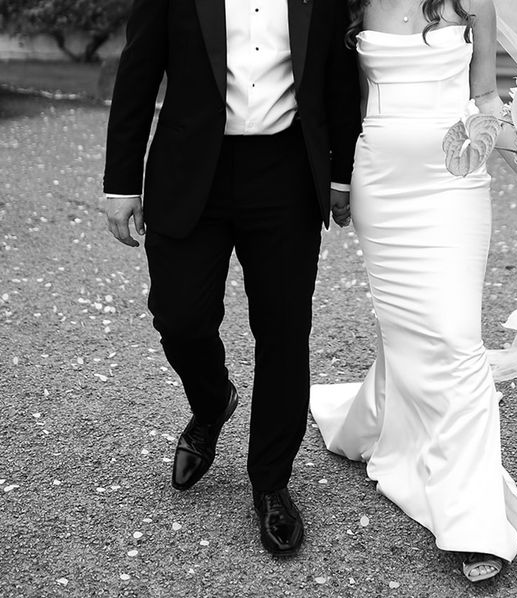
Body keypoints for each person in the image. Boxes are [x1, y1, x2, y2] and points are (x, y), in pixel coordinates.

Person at [103, 0, 361, 558]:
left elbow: (339, 78)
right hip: (190, 169)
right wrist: (121, 182)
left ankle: (271, 481)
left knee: (284, 331)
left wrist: (341, 173)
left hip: (287, 173)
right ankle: (212, 400)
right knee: (179, 316)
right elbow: (137, 72)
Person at [310, 0, 517, 582]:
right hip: (381, 184)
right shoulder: (355, 3)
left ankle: (475, 519)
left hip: (454, 181)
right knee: (406, 328)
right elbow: (349, 102)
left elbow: (486, 99)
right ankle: (384, 421)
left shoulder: (471, 3)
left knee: (456, 336)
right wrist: (339, 178)